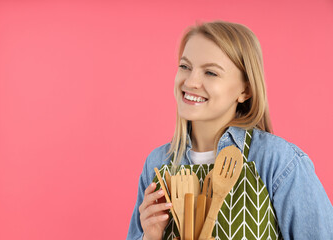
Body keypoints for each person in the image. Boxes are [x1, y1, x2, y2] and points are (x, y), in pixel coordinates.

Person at [126, 20, 333, 240]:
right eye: (185, 66)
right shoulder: (158, 164)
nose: (191, 81)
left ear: (245, 90)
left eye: (211, 73)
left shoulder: (277, 162)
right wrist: (150, 237)